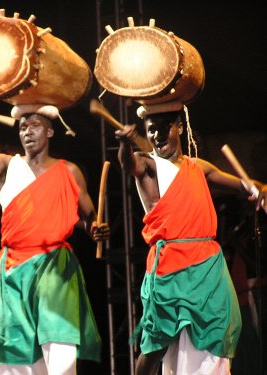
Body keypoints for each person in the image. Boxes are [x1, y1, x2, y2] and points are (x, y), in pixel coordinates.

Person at [114, 101, 267, 375]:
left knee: (214, 335)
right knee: (154, 346)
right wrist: (125, 146)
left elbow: (243, 186)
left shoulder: (198, 167)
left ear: (180, 127)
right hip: (169, 270)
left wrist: (260, 188)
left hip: (207, 270)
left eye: (164, 128)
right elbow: (129, 164)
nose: (158, 135)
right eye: (151, 130)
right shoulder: (148, 166)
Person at [0, 104, 110, 374]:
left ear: (49, 131)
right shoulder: (6, 164)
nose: (28, 132)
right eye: (23, 127)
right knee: (15, 352)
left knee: (59, 345)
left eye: (34, 125)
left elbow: (88, 216)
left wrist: (93, 228)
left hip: (55, 267)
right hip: (14, 269)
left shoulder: (69, 171)